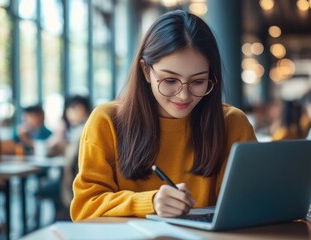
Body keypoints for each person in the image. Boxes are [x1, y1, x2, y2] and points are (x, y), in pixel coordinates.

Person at [70, 10, 257, 221]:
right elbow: (85, 207)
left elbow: (250, 203)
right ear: (146, 71)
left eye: (197, 82)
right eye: (169, 81)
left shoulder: (232, 124)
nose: (184, 95)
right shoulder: (106, 121)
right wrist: (150, 202)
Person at [37, 95, 92, 221]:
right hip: (76, 185)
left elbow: (65, 156)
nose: (68, 115)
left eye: (69, 111)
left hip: (72, 187)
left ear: (80, 109)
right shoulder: (82, 129)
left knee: (43, 188)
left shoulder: (83, 130)